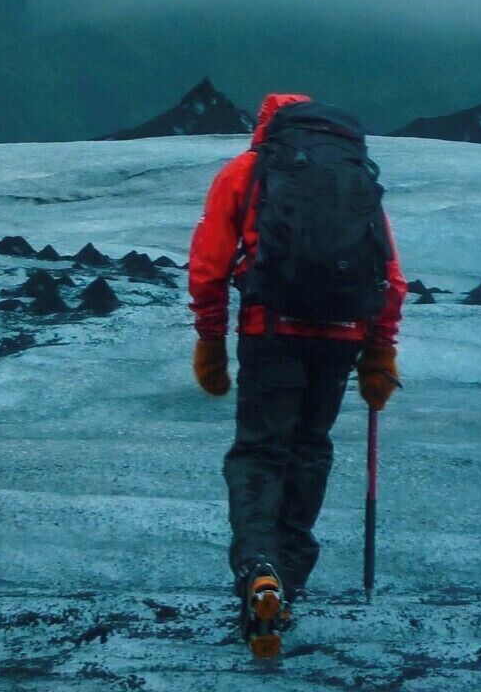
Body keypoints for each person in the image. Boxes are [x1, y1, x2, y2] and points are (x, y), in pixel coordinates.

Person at [188, 92, 405, 644]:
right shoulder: (353, 177)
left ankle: (261, 570)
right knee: (310, 450)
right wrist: (379, 352)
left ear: (267, 127)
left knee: (261, 451)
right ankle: (289, 583)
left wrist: (211, 341)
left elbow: (210, 266)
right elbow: (389, 271)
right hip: (341, 338)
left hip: (271, 332)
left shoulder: (249, 169)